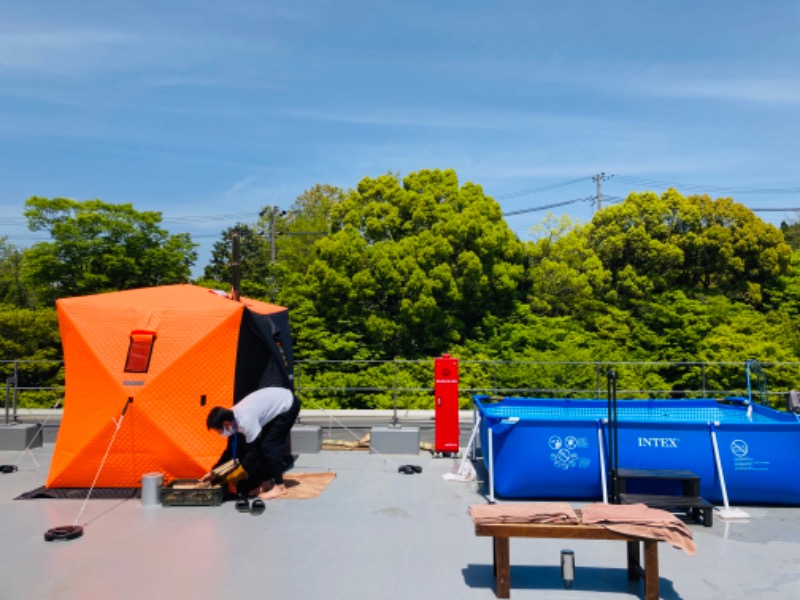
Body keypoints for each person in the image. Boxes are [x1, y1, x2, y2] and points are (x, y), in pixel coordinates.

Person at [202, 386, 300, 500]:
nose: (219, 434)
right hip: (275, 404)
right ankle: (267, 482)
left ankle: (280, 486)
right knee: (264, 445)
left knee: (269, 446)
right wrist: (214, 472)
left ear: (226, 424)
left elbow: (253, 452)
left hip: (288, 404)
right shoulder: (232, 419)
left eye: (218, 431)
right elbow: (230, 451)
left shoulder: (245, 421)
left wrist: (236, 476)